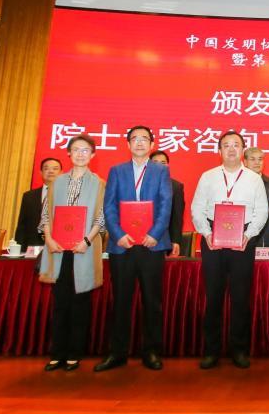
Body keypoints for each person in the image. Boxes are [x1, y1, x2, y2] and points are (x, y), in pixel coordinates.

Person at [95, 126, 173, 372]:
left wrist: (154, 233)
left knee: (152, 300)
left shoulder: (161, 171)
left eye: (144, 139)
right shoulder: (117, 171)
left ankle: (151, 351)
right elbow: (109, 206)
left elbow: (166, 205)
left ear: (152, 144)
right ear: (128, 144)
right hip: (123, 245)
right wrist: (118, 234)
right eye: (135, 139)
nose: (139, 143)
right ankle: (117, 353)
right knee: (121, 301)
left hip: (152, 245)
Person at [190, 131, 269, 370]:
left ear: (243, 150)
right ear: (219, 150)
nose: (232, 149)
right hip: (212, 238)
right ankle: (211, 350)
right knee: (213, 297)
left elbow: (261, 211)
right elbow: (197, 208)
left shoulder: (253, 179)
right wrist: (206, 233)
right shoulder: (208, 176)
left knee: (240, 297)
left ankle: (239, 349)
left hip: (242, 238)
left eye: (236, 145)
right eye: (226, 145)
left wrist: (248, 235)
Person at [39, 135, 105, 372]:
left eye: (85, 150)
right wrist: (48, 238)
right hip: (58, 249)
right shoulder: (56, 182)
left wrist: (87, 240)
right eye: (76, 150)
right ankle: (57, 353)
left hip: (83, 249)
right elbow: (46, 214)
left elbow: (101, 217)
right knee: (60, 303)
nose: (80, 154)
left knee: (80, 303)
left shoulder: (99, 183)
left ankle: (74, 353)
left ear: (93, 155)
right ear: (68, 153)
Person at [13, 157, 62, 248]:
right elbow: (22, 225)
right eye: (46, 168)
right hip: (33, 246)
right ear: (41, 172)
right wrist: (19, 248)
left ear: (61, 173)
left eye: (55, 169)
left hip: (59, 246)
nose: (51, 171)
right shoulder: (29, 196)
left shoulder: (68, 195)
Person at [244, 147, 269, 251]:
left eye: (260, 159)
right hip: (243, 238)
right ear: (245, 162)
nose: (257, 162)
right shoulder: (238, 184)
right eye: (252, 159)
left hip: (268, 239)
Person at [151, 150, 186, 257]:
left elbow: (177, 217)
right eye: (155, 162)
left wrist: (175, 241)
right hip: (141, 238)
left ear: (168, 165)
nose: (159, 166)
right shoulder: (139, 184)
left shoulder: (175, 187)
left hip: (164, 240)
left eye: (163, 163)